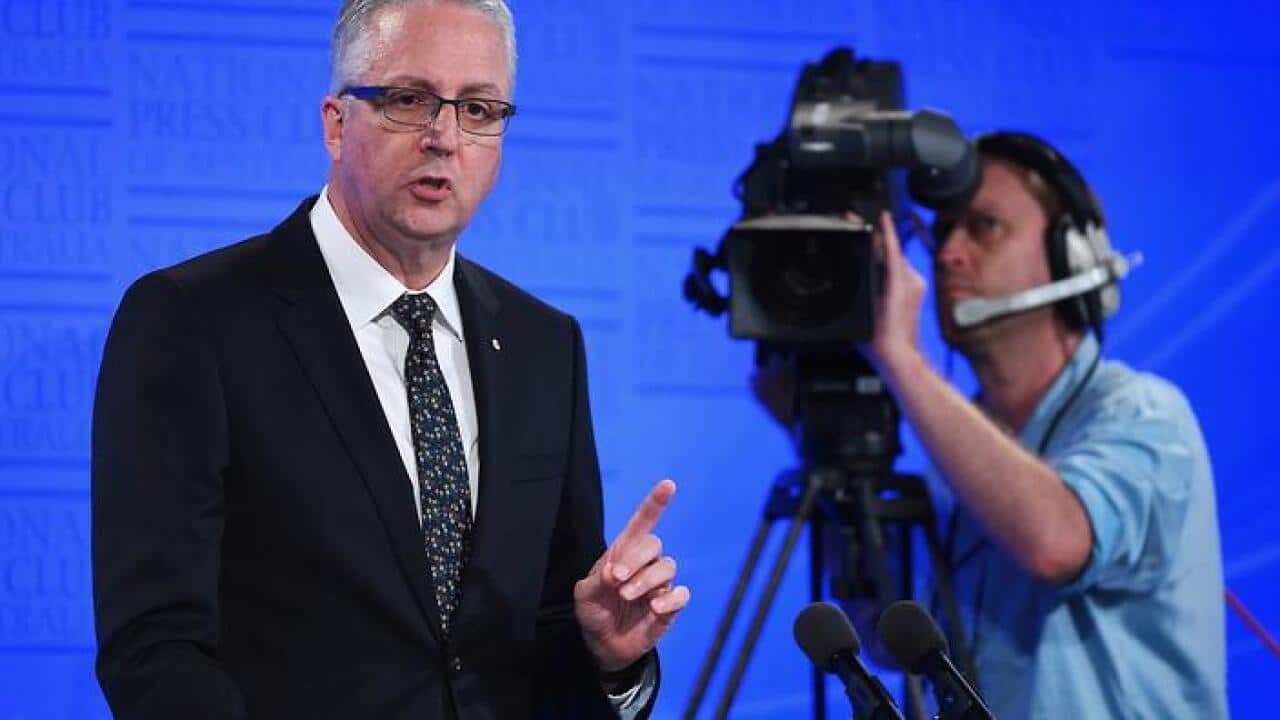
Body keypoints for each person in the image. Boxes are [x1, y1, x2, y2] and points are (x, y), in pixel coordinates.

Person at [91, 1, 688, 718]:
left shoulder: (544, 344)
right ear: (336, 123)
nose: (445, 138)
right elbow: (154, 646)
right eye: (410, 100)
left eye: (478, 108)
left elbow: (540, 636)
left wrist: (605, 658)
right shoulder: (194, 320)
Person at [753, 132, 1226, 718]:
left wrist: (901, 359)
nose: (949, 252)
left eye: (984, 228)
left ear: (1070, 254)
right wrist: (819, 442)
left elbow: (1055, 543)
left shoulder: (1147, 414)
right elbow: (882, 637)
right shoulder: (953, 460)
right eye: (944, 230)